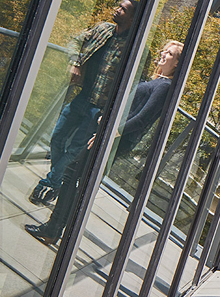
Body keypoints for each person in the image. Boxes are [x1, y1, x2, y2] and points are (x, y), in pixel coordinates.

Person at [25, 38, 183, 247]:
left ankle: (54, 230)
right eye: (164, 50)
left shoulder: (164, 86)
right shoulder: (158, 81)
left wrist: (110, 133)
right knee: (77, 178)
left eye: (169, 53)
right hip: (111, 135)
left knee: (75, 176)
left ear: (177, 63)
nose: (163, 54)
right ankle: (55, 230)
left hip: (116, 139)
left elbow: (142, 119)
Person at [29, 0, 135, 204]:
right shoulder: (103, 29)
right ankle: (56, 182)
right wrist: (75, 63)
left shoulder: (134, 47)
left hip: (99, 110)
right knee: (56, 138)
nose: (117, 10)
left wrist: (113, 114)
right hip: (81, 97)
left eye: (123, 9)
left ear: (132, 18)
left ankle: (47, 184)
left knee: (74, 150)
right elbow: (75, 40)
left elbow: (135, 85)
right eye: (118, 6)